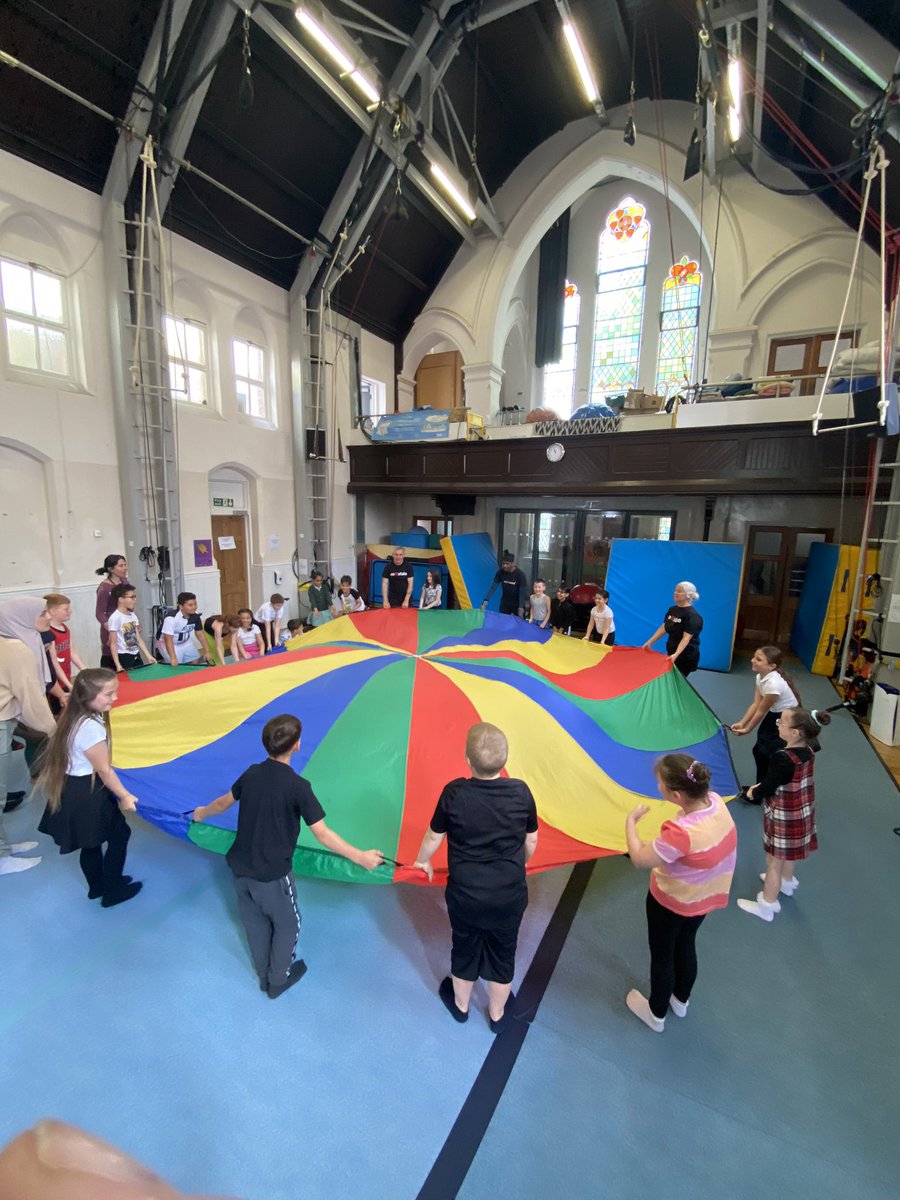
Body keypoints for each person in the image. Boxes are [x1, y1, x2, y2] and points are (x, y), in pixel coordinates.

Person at [191, 714, 383, 997]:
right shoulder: (298, 787)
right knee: (289, 923)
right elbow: (323, 834)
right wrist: (360, 857)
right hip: (272, 878)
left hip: (240, 870)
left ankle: (263, 972)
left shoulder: (252, 772)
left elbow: (222, 803)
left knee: (254, 923)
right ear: (297, 746)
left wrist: (201, 813)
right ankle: (277, 980)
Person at [412, 722, 539, 1033]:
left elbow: (433, 835)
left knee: (464, 945)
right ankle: (497, 1015)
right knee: (503, 950)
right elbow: (531, 840)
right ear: (504, 762)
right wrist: (516, 867)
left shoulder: (454, 793)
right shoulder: (521, 792)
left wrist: (422, 860)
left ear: (467, 761)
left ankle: (461, 1006)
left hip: (465, 895)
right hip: (508, 895)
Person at [624, 754, 736, 1032]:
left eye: (659, 783)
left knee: (662, 955)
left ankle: (656, 1013)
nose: (657, 786)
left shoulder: (681, 832)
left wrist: (631, 822)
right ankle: (680, 1000)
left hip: (672, 902)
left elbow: (639, 858)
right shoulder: (717, 803)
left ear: (675, 795)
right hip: (704, 897)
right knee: (686, 943)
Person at [36, 669, 142, 907]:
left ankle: (97, 887)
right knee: (120, 834)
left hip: (72, 787)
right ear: (88, 697)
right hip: (88, 792)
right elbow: (104, 770)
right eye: (108, 694)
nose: (114, 698)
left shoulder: (72, 716)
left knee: (90, 843)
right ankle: (112, 889)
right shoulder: (91, 727)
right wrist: (124, 796)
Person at [736, 707, 829, 922]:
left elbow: (769, 786)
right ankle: (787, 882)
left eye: (782, 722)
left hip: (785, 815)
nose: (777, 723)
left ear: (796, 733)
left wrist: (753, 791)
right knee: (789, 852)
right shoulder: (810, 749)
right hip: (802, 811)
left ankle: (767, 905)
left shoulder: (783, 758)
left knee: (773, 862)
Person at [0, 599, 56, 875]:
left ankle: (3, 848)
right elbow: (32, 701)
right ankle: (1, 858)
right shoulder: (15, 649)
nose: (48, 617)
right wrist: (57, 733)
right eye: (42, 613)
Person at [730, 645, 800, 789]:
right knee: (761, 751)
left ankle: (763, 789)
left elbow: (761, 710)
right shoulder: (760, 677)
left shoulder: (773, 685)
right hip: (776, 714)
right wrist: (742, 723)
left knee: (766, 752)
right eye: (754, 656)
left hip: (787, 718)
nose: (752, 660)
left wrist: (748, 729)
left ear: (771, 666)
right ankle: (762, 786)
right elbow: (756, 703)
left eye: (758, 659)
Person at [642, 581, 703, 677]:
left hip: (685, 656)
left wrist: (676, 654)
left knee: (676, 681)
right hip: (672, 651)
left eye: (679, 591)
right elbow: (664, 627)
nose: (675, 593)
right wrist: (650, 642)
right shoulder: (673, 610)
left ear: (688, 595)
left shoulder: (693, 616)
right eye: (675, 590)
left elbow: (686, 638)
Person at [43, 593, 85, 696]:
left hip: (65, 676)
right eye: (66, 609)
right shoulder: (49, 634)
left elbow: (72, 652)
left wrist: (84, 670)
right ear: (53, 611)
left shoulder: (64, 628)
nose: (70, 611)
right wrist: (68, 684)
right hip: (55, 682)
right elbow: (53, 662)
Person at [106, 585, 155, 673]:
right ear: (121, 599)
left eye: (135, 597)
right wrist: (118, 664)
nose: (134, 600)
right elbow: (113, 643)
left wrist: (148, 655)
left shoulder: (132, 616)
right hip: (124, 656)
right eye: (132, 597)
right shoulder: (115, 618)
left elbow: (138, 639)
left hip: (136, 654)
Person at [94, 555, 130, 670]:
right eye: (121, 566)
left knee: (130, 652)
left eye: (125, 565)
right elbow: (100, 613)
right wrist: (112, 631)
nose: (125, 568)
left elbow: (129, 603)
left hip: (126, 624)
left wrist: (134, 621)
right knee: (111, 656)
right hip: (112, 626)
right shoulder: (104, 588)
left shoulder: (125, 581)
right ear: (110, 569)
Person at [156, 593, 210, 666]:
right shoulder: (171, 618)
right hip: (167, 643)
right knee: (176, 666)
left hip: (185, 641)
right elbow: (168, 639)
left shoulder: (195, 615)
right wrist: (173, 657)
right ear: (181, 606)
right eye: (190, 605)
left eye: (195, 604)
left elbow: (200, 633)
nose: (194, 607)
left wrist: (207, 651)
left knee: (195, 660)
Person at [481, 552, 527, 617]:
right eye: (503, 563)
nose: (504, 565)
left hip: (517, 603)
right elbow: (493, 588)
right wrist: (485, 602)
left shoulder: (520, 575)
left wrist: (521, 607)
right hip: (505, 603)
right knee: (502, 622)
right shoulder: (500, 572)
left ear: (512, 564)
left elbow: (522, 592)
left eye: (507, 564)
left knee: (520, 623)